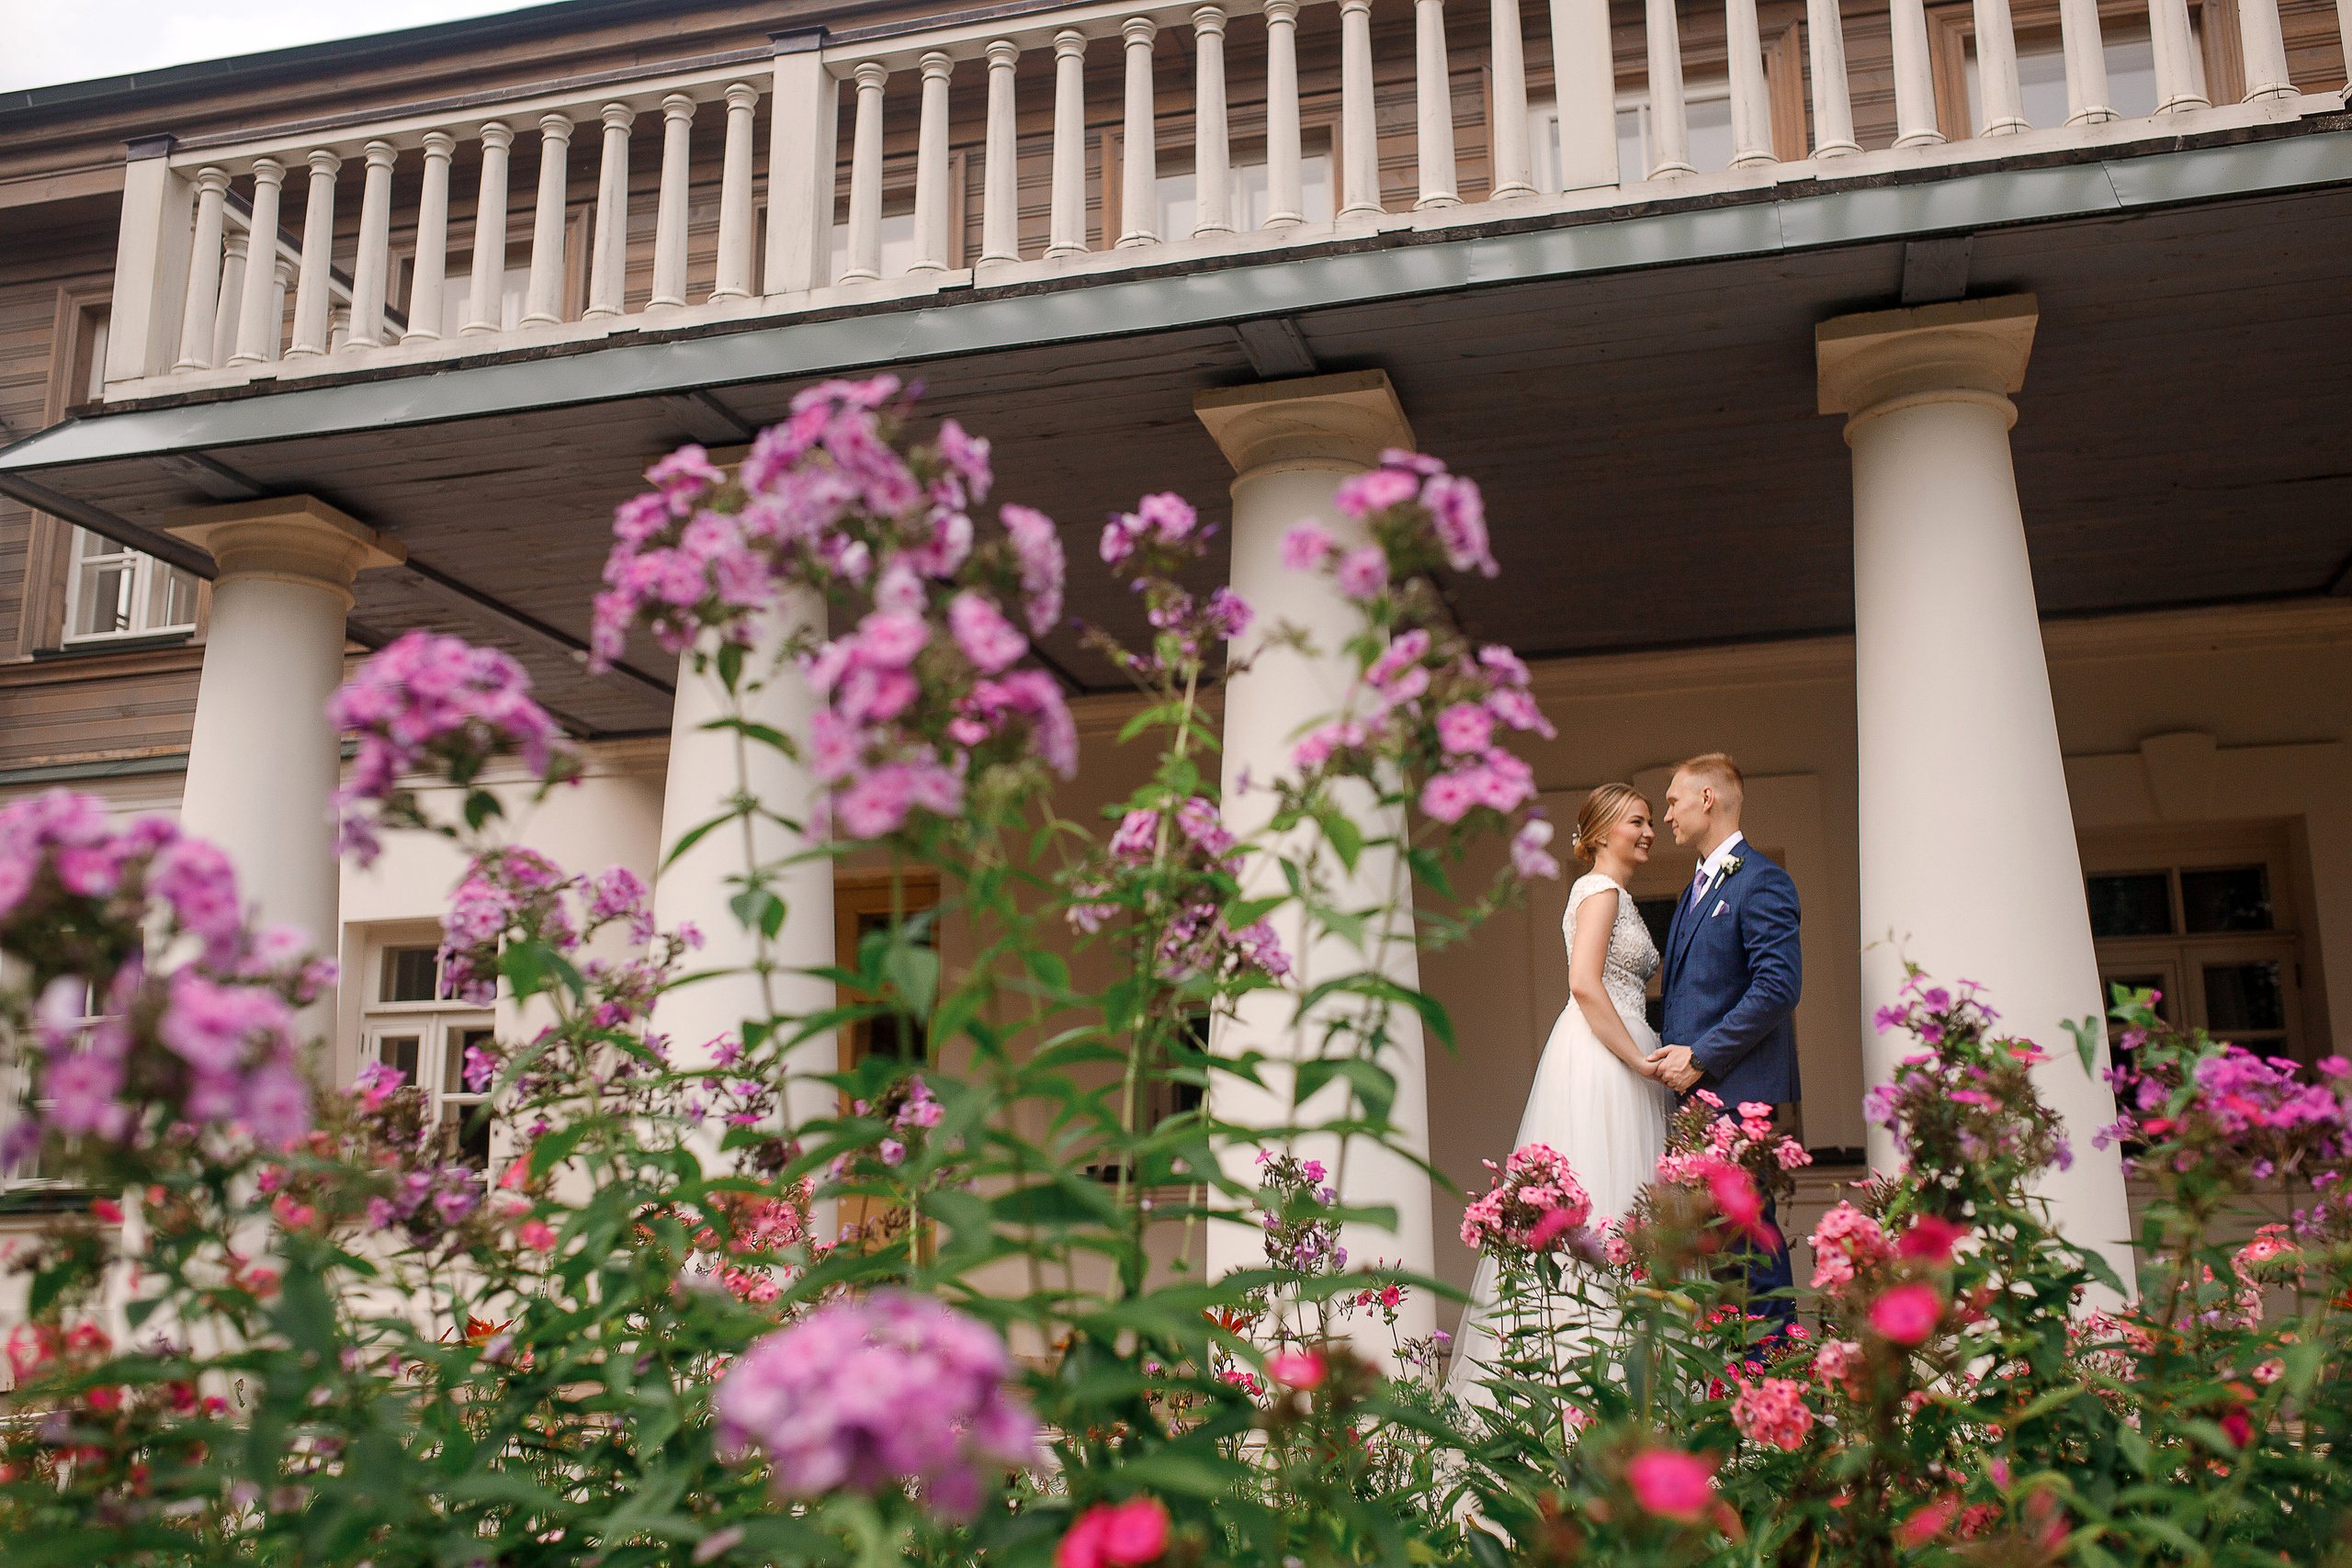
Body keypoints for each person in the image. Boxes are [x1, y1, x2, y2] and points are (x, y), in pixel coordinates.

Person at [1444, 783, 1673, 1405]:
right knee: (1602, 1190)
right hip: (1604, 1056)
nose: (1649, 830)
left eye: (1651, 819)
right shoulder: (1599, 890)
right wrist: (1637, 1060)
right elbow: (1584, 983)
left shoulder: (1615, 893)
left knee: (1624, 1194)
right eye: (1636, 820)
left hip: (1622, 1054)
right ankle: (1580, 1373)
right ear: (1598, 832)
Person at [1646, 751, 1803, 1328]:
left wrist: (1703, 1056)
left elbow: (1778, 986)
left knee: (1750, 1247)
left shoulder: (1762, 880)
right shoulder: (1694, 889)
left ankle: (1776, 1371)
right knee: (1722, 1254)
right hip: (1700, 1103)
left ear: (1706, 799)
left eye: (1672, 801)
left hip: (1737, 1098)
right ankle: (1744, 1382)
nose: (1666, 816)